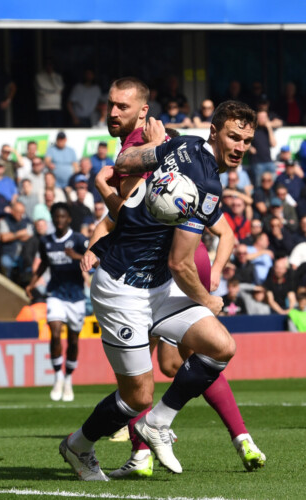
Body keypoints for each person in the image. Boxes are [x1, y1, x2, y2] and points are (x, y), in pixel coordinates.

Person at [59, 82, 262, 480]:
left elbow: (128, 160)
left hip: (157, 285)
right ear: (214, 133)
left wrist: (152, 153)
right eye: (233, 137)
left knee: (221, 346)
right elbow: (181, 264)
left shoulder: (182, 144)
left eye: (247, 141)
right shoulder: (205, 184)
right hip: (121, 288)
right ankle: (78, 446)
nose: (240, 147)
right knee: (138, 396)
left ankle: (158, 423)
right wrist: (209, 299)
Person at [26, 202, 88, 401]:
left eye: (63, 217)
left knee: (73, 340)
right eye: (56, 217)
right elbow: (44, 263)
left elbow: (94, 261)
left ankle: (68, 378)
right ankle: (57, 376)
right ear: (52, 219)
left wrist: (75, 256)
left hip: (76, 296)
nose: (59, 220)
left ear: (69, 219)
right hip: (55, 294)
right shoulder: (46, 241)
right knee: (54, 333)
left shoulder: (78, 239)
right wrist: (32, 283)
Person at [35, 59, 64, 128]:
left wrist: (52, 77)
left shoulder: (57, 76)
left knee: (57, 128)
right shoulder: (39, 76)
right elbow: (41, 90)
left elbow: (60, 88)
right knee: (43, 128)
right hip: (43, 107)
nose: (49, 67)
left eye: (51, 65)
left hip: (56, 107)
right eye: (48, 65)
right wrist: (55, 91)